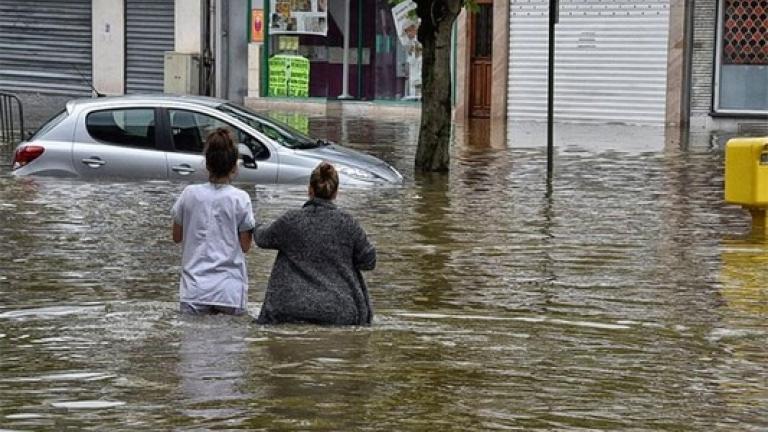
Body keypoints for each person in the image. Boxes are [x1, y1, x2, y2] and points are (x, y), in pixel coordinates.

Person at [254, 162, 376, 325]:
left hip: (290, 308)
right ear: (336, 192)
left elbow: (261, 238)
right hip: (339, 311)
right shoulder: (348, 223)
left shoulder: (290, 221)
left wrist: (254, 223)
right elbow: (369, 261)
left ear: (310, 189)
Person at [171, 128, 256, 316]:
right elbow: (245, 246)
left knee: (193, 343)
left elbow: (177, 237)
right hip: (229, 291)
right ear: (234, 166)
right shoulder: (241, 199)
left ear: (207, 164)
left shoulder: (189, 194)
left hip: (194, 289)